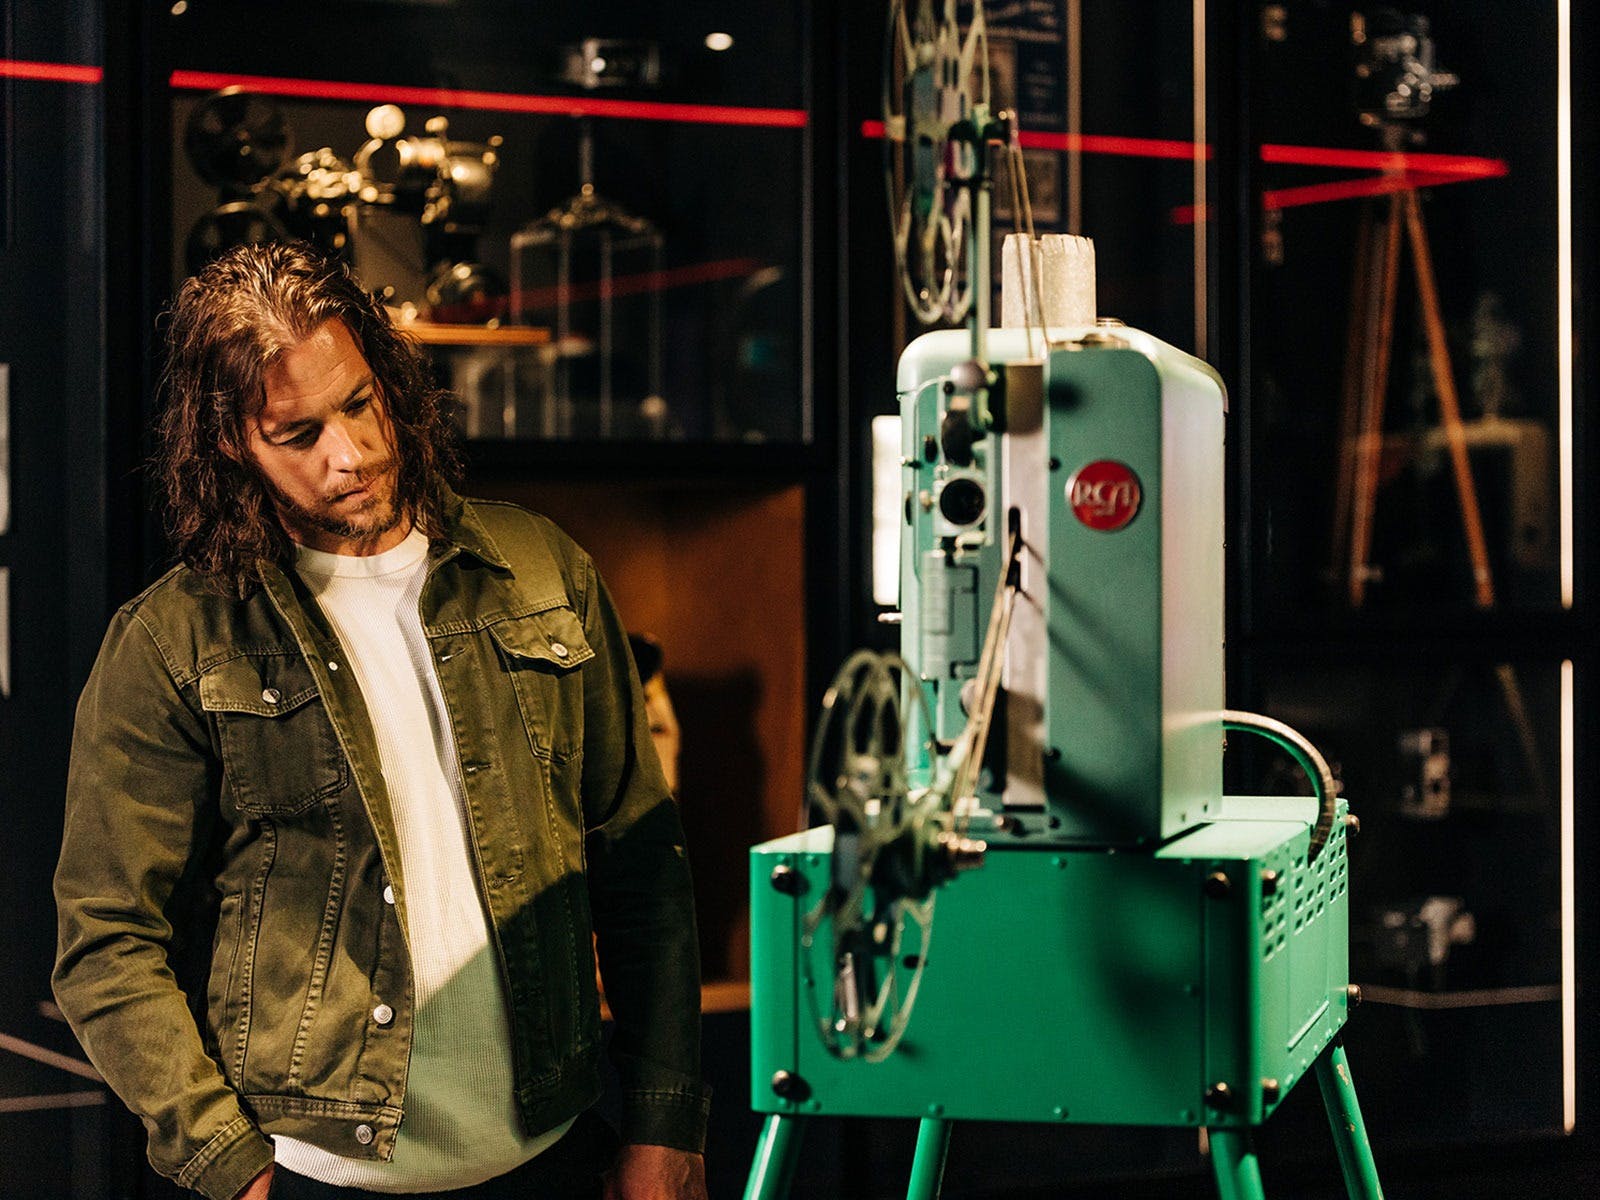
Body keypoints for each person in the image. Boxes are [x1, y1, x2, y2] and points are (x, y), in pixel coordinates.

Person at [52, 241, 710, 1200]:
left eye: (360, 404)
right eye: (299, 432)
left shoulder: (543, 570)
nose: (350, 455)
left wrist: (664, 1119)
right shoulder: (172, 640)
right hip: (318, 1170)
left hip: (556, 1152)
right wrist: (228, 1166)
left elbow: (644, 867)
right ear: (233, 441)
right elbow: (106, 939)